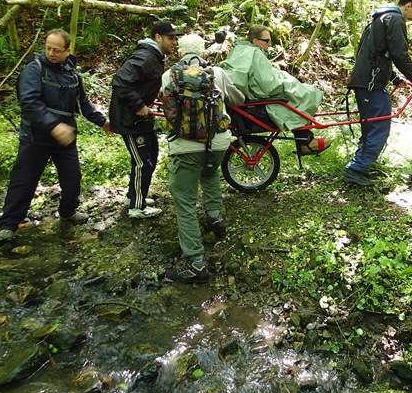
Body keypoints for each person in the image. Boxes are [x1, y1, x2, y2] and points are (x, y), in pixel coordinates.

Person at [0, 29, 111, 242]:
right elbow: (30, 103)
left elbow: (83, 103)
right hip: (36, 137)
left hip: (65, 139)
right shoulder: (34, 69)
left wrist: (103, 122)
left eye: (57, 50)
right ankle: (9, 225)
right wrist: (54, 126)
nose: (51, 53)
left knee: (72, 178)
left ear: (68, 51)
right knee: (24, 181)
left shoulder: (73, 75)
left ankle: (67, 212)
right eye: (48, 48)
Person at [161, 34, 239, 284]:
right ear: (202, 51)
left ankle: (195, 263)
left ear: (180, 52)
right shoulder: (217, 72)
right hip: (217, 143)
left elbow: (167, 105)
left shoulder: (169, 75)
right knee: (210, 172)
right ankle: (215, 218)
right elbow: (239, 98)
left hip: (185, 146)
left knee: (184, 201)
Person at [344, 0, 412, 186]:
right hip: (371, 84)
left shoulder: (379, 18)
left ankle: (360, 166)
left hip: (366, 81)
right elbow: (399, 54)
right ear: (408, 5)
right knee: (379, 126)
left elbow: (377, 53)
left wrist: (394, 78)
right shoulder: (396, 19)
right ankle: (356, 169)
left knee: (371, 126)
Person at [220, 25, 331, 155]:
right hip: (258, 104)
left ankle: (305, 140)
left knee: (299, 97)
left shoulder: (240, 50)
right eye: (266, 41)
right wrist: (286, 84)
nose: (269, 44)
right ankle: (306, 142)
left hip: (250, 102)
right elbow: (267, 85)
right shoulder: (254, 53)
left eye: (270, 41)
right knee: (304, 96)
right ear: (255, 41)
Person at [109, 21, 180, 218]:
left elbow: (142, 83)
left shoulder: (155, 57)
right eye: (171, 38)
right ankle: (136, 207)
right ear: (158, 37)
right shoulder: (145, 56)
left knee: (151, 155)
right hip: (129, 119)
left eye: (176, 38)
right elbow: (120, 83)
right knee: (142, 161)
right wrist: (139, 105)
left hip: (141, 119)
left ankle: (135, 196)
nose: (175, 42)